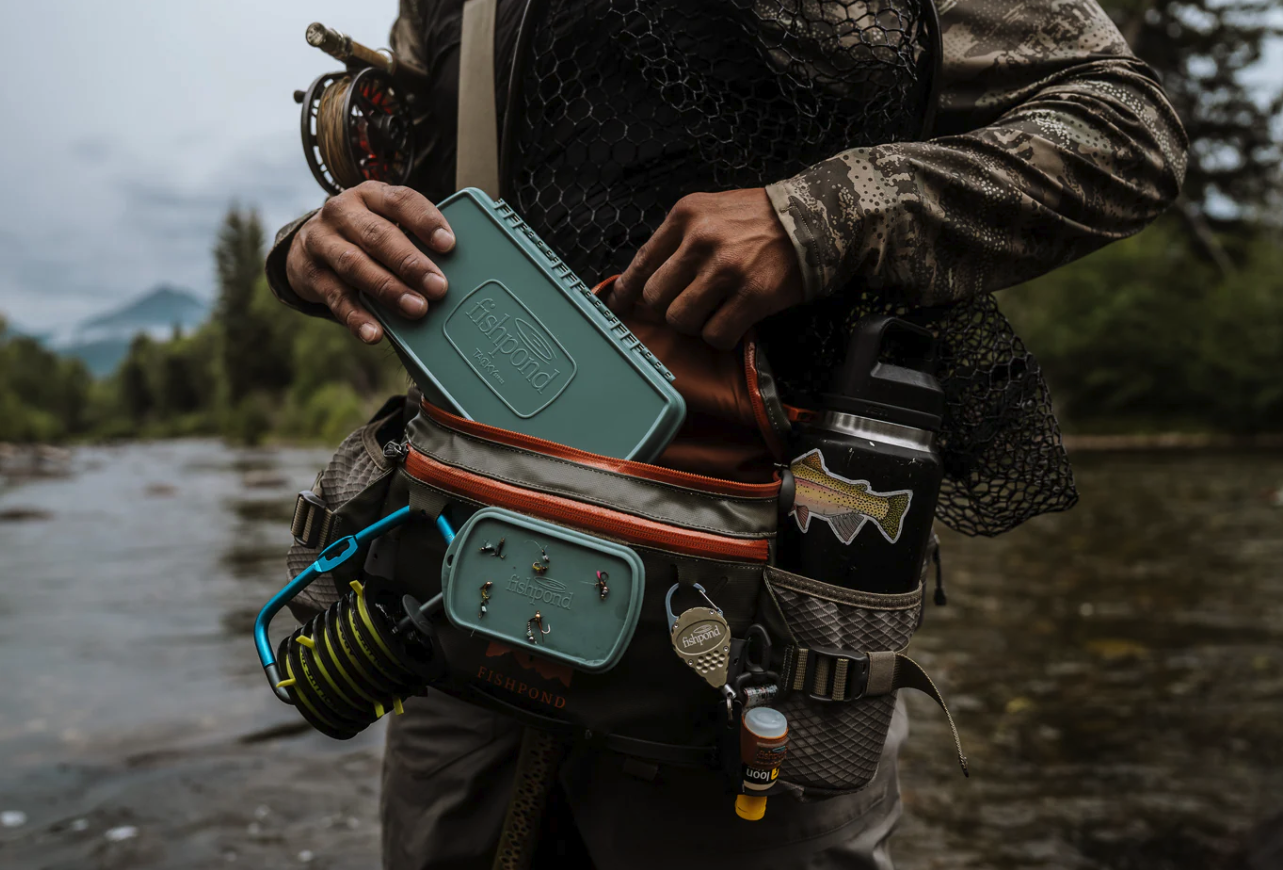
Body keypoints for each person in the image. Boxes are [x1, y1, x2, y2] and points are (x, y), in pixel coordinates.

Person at [265, 1, 1186, 867]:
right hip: (453, 617)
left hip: (763, 625)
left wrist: (815, 220)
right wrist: (315, 247)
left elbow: (1126, 131)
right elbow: (410, 185)